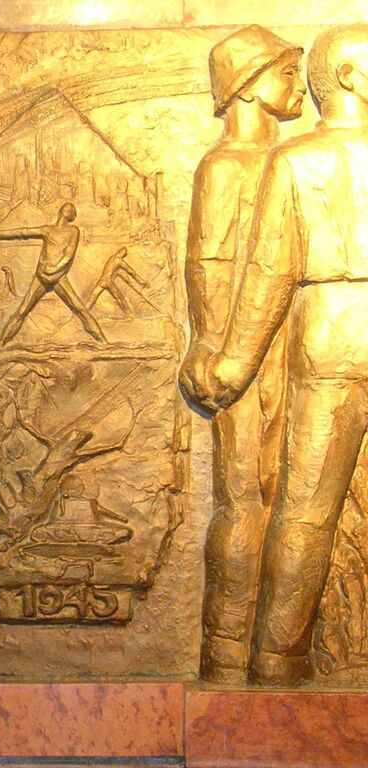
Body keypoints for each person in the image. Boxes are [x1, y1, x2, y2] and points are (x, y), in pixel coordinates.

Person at [202, 24, 368, 686]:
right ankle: (274, 657)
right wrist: (238, 364)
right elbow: (267, 271)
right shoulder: (289, 162)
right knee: (304, 512)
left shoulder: (295, 161)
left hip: (327, 335)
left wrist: (234, 361)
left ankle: (276, 659)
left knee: (306, 511)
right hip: (328, 337)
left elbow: (270, 275)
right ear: (349, 77)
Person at [178, 25, 305, 683]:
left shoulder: (289, 159)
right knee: (243, 499)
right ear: (249, 85)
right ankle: (225, 648)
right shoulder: (225, 165)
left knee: (286, 497)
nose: (299, 86)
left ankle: (271, 649)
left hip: (294, 348)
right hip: (242, 353)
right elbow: (207, 258)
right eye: (287, 72)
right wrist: (212, 346)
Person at [0, 202, 108, 345]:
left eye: (72, 210)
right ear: (61, 211)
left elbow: (69, 254)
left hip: (57, 277)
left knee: (80, 309)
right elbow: (23, 232)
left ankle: (103, 342)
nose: (69, 210)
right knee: (22, 311)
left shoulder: (73, 231)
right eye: (67, 208)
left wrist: (54, 269)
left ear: (72, 216)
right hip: (41, 277)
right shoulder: (47, 229)